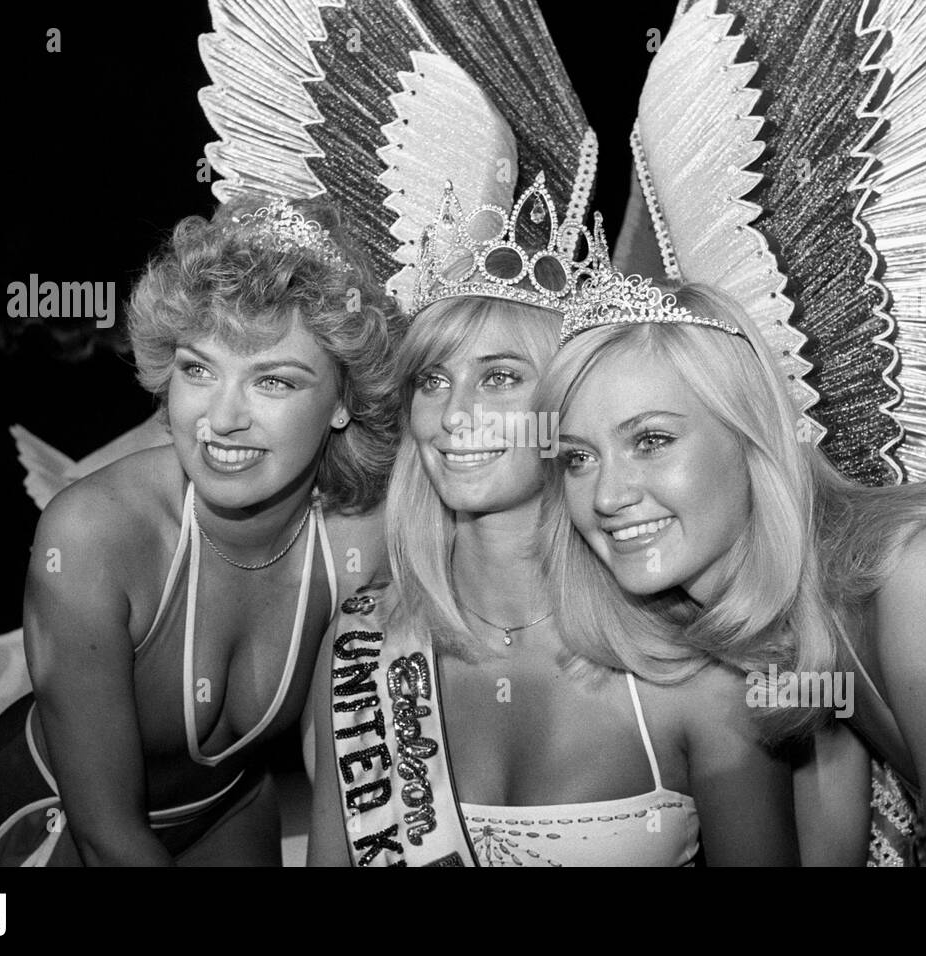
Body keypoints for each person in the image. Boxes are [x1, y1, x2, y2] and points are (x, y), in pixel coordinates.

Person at [541, 274, 926, 866]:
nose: (607, 495)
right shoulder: (776, 623)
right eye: (577, 458)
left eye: (650, 440)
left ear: (753, 435)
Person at [306, 180, 808, 867]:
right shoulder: (363, 640)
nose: (454, 415)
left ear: (570, 402)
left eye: (500, 377)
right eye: (430, 380)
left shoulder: (695, 667)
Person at [0, 197, 403, 865]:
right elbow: (108, 837)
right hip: (51, 819)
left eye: (272, 381)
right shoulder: (93, 534)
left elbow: (346, 788)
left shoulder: (366, 539)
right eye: (198, 369)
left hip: (231, 807)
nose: (222, 418)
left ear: (344, 402)